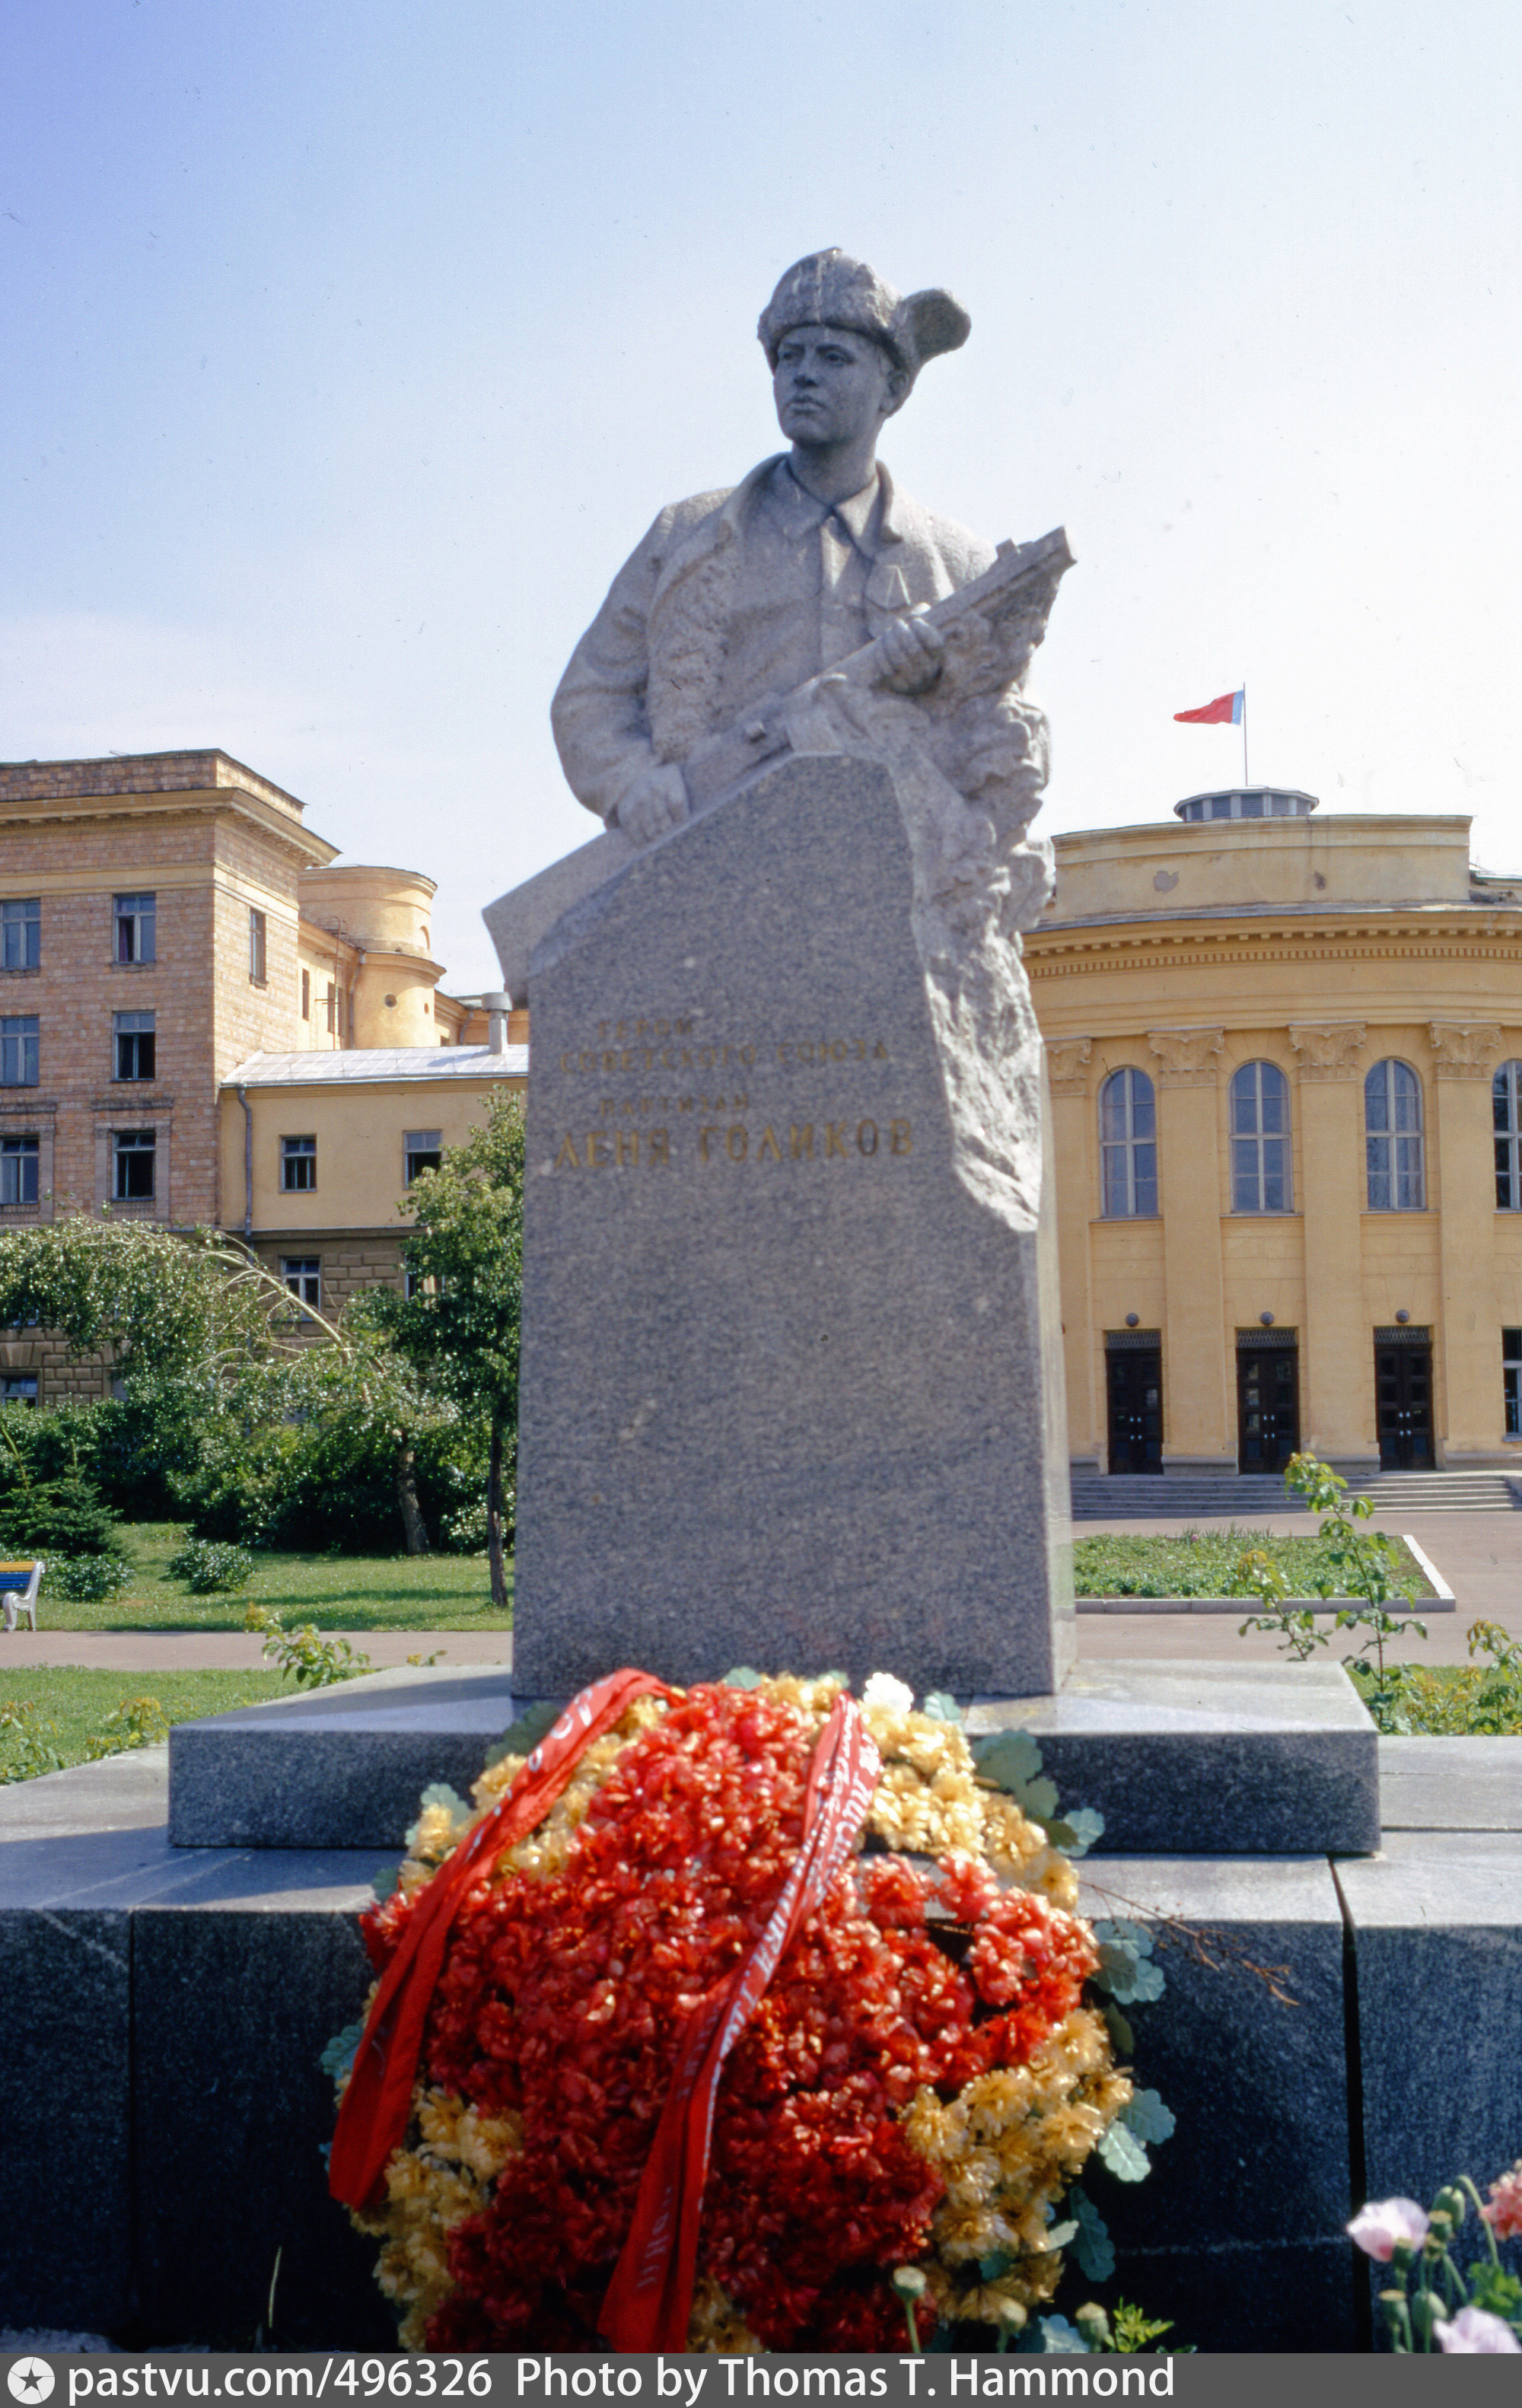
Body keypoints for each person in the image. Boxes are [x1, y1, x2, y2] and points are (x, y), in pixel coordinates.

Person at [552, 250, 1007, 848]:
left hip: (889, 866)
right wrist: (634, 782)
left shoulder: (959, 564)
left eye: (833, 357)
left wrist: (939, 681)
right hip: (715, 858)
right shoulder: (683, 535)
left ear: (893, 389)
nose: (803, 375)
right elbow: (591, 695)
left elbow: (1006, 741)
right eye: (789, 356)